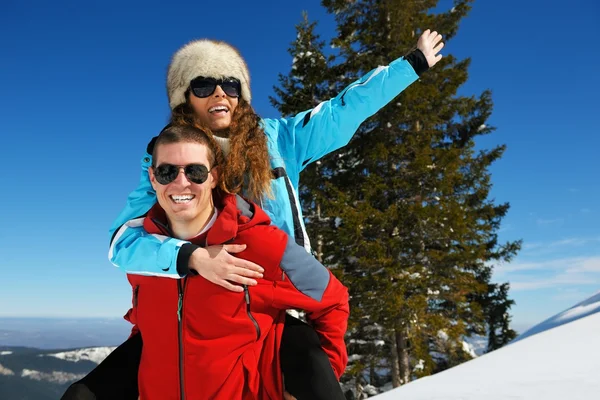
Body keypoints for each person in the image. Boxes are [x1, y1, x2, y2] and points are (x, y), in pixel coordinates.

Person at [63, 30, 444, 400]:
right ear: (184, 97)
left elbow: (344, 110)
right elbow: (123, 243)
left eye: (230, 85)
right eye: (203, 84)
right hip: (191, 300)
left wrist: (411, 64)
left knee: (313, 368)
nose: (219, 93)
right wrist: (192, 258)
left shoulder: (277, 140)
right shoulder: (172, 160)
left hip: (267, 302)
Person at [134, 124, 348, 399]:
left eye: (195, 172)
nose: (181, 182)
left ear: (214, 177)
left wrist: (320, 377)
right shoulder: (146, 253)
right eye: (167, 172)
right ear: (153, 178)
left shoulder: (258, 244)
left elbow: (333, 299)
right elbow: (144, 326)